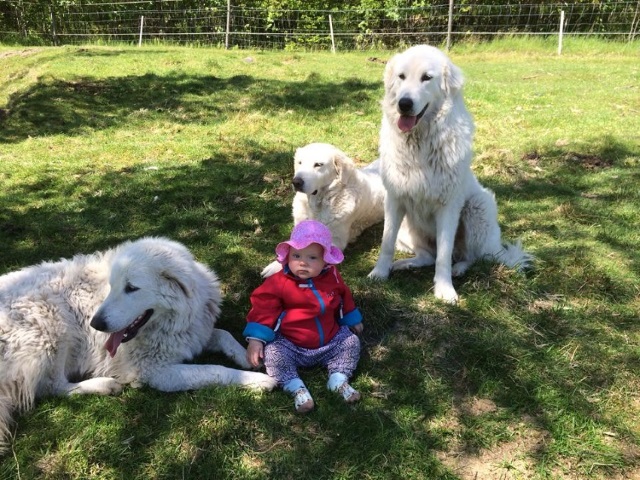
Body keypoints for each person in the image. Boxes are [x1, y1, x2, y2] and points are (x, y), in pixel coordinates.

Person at [244, 220, 364, 413]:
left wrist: (351, 318)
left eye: (312, 257)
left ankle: (338, 379)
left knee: (350, 342)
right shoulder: (280, 282)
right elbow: (264, 307)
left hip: (330, 341)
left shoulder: (332, 277)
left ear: (325, 260)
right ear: (288, 256)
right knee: (273, 353)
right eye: (296, 255)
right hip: (292, 345)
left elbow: (343, 297)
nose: (303, 262)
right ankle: (295, 387)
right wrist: (256, 338)